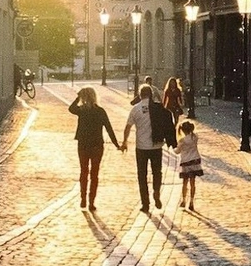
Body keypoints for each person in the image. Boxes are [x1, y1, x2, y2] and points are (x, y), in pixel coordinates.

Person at [122, 83, 176, 213]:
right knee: (157, 172)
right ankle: (156, 191)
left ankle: (145, 203)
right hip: (156, 146)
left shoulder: (136, 109)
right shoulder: (158, 108)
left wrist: (124, 142)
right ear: (151, 94)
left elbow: (128, 127)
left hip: (141, 147)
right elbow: (168, 122)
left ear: (140, 95)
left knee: (142, 175)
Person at [68, 87, 123, 210]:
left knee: (83, 171)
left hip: (83, 144)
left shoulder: (81, 110)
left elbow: (71, 108)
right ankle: (91, 202)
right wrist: (116, 144)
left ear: (84, 97)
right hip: (97, 145)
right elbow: (109, 128)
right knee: (94, 174)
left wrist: (78, 97)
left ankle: (83, 199)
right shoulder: (100, 111)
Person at [176, 120, 204, 211]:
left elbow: (177, 151)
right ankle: (191, 202)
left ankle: (184, 200)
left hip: (186, 162)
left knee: (185, 182)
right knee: (193, 183)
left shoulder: (182, 140)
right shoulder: (195, 137)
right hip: (195, 161)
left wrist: (173, 147)